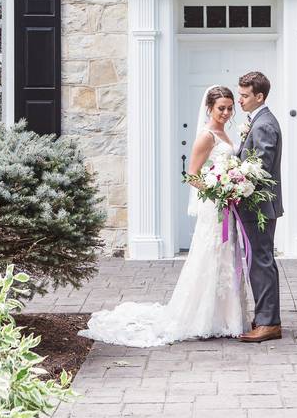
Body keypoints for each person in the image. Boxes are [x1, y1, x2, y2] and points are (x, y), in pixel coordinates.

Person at [78, 85, 250, 347]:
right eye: (221, 108)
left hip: (227, 206)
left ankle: (227, 317)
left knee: (228, 256)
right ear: (209, 108)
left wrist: (233, 186)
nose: (226, 112)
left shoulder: (224, 132)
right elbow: (192, 175)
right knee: (211, 254)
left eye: (229, 108)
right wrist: (219, 189)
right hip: (214, 206)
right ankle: (201, 317)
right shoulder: (206, 136)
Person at [235, 71, 283, 343]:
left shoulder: (264, 124)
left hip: (259, 208)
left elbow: (260, 168)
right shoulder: (258, 121)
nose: (240, 100)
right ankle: (265, 318)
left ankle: (268, 323)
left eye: (244, 95)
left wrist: (232, 180)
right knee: (259, 262)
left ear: (259, 96)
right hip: (255, 207)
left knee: (261, 263)